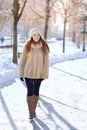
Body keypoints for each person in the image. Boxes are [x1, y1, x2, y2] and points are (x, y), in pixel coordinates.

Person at [18, 27, 50, 120]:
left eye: (38, 35)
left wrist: (44, 74)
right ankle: (31, 113)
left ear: (40, 36)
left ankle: (34, 110)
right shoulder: (27, 46)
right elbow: (22, 61)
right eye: (34, 35)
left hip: (39, 74)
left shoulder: (44, 46)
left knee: (36, 92)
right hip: (28, 73)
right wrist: (21, 73)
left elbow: (46, 62)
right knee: (30, 91)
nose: (36, 36)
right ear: (31, 36)